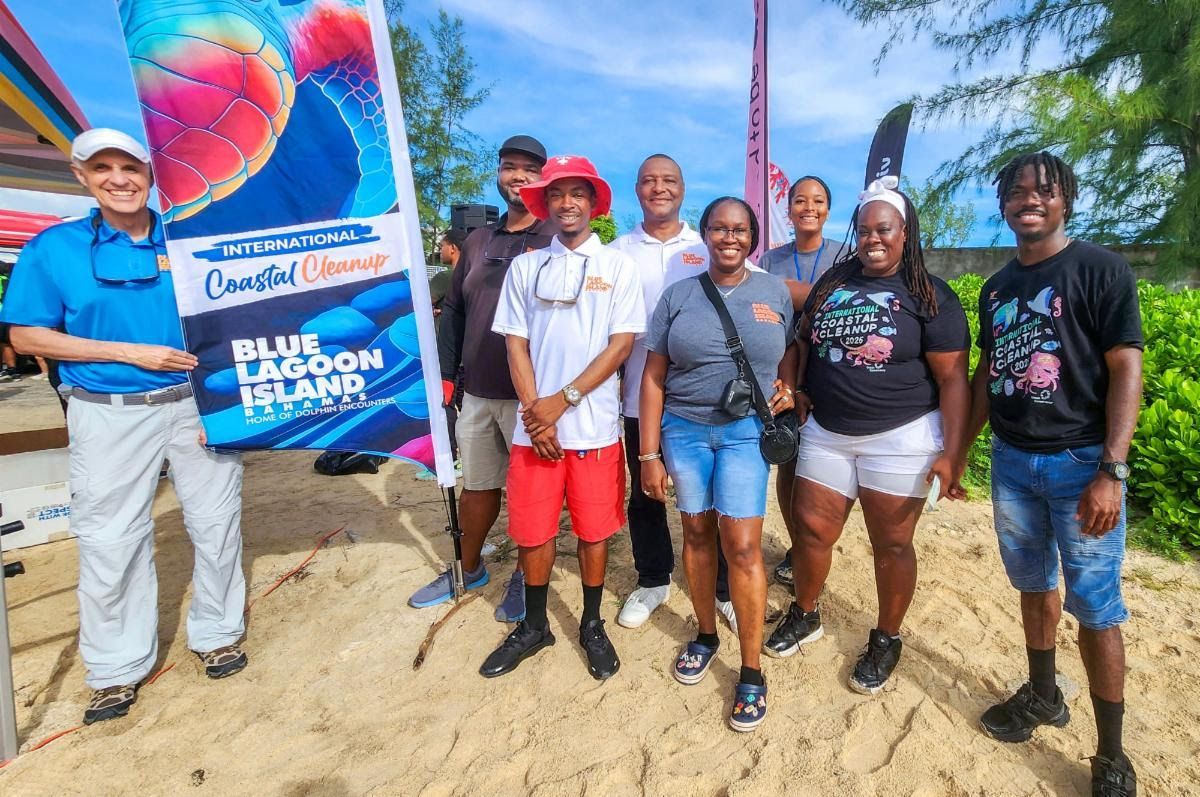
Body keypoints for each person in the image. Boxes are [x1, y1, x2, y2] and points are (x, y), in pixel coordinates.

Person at [0, 128, 248, 725]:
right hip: (106, 412)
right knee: (111, 539)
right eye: (102, 167)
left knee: (217, 523)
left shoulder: (188, 240)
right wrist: (131, 353)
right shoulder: (53, 249)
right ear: (81, 176)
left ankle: (218, 633)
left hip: (194, 404)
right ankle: (116, 669)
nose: (119, 178)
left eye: (130, 166)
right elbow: (26, 335)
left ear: (151, 174)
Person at [964, 152, 1141, 796]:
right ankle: (1043, 696)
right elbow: (987, 377)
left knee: (1096, 607)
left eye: (1043, 190)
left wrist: (1111, 470)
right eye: (1015, 191)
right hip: (1012, 464)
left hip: (1081, 464)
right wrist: (959, 455)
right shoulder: (997, 287)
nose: (1028, 199)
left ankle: (1112, 756)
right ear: (1004, 205)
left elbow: (1126, 367)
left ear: (1066, 197)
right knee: (1033, 585)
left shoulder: (1101, 269)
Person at [765, 176, 970, 697]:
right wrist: (795, 383)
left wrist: (953, 451)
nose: (873, 239)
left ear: (906, 232)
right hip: (828, 432)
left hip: (901, 436)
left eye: (885, 229)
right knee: (811, 533)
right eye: (864, 230)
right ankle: (806, 612)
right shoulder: (834, 283)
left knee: (892, 543)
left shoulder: (930, 294)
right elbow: (800, 341)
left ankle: (886, 636)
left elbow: (953, 380)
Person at [480, 155, 644, 680]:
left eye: (578, 193)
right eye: (556, 194)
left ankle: (591, 623)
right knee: (532, 530)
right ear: (543, 203)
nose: (567, 203)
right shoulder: (527, 266)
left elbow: (621, 345)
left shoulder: (617, 266)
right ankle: (534, 625)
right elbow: (515, 344)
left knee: (594, 532)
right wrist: (538, 415)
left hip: (593, 425)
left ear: (594, 203)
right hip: (537, 433)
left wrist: (564, 400)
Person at [640, 196, 796, 732]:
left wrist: (789, 386)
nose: (730, 238)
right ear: (703, 234)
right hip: (682, 431)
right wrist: (647, 453)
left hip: (746, 433)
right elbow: (653, 376)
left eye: (740, 230)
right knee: (696, 534)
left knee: (745, 546)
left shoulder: (773, 291)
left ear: (753, 238)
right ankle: (706, 634)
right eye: (719, 229)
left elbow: (793, 346)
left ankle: (751, 669)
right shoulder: (678, 296)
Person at [410, 135, 554, 623]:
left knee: (529, 492)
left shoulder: (555, 238)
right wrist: (447, 379)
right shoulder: (476, 242)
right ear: (498, 174)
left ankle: (525, 575)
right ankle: (467, 568)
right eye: (510, 167)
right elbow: (452, 312)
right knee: (478, 488)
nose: (519, 177)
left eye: (530, 169)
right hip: (477, 392)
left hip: (530, 393)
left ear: (544, 177)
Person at [608, 154, 735, 631]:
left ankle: (723, 588)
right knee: (645, 492)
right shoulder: (617, 252)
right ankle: (654, 578)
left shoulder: (705, 247)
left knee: (712, 494)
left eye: (669, 181)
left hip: (703, 399)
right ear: (636, 189)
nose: (659, 188)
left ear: (683, 188)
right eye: (648, 181)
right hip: (638, 394)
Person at [757, 175, 841, 587]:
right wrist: (811, 294)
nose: (809, 207)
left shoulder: (847, 255)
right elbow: (760, 302)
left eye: (819, 200)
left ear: (828, 209)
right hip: (782, 374)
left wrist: (791, 292)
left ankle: (815, 545)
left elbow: (841, 304)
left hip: (831, 373)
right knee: (788, 461)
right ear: (788, 209)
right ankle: (796, 548)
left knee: (822, 472)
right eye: (800, 200)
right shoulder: (769, 260)